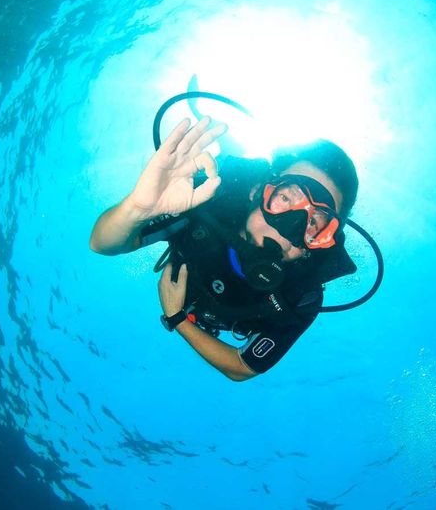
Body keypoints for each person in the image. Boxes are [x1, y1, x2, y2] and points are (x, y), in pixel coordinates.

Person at [89, 116, 359, 381]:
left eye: (314, 222)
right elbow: (102, 244)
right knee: (221, 171)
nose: (287, 228)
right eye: (286, 197)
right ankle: (231, 149)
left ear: (323, 241)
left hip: (187, 311)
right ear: (257, 191)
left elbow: (243, 367)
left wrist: (178, 319)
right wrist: (138, 209)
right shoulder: (201, 203)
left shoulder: (302, 295)